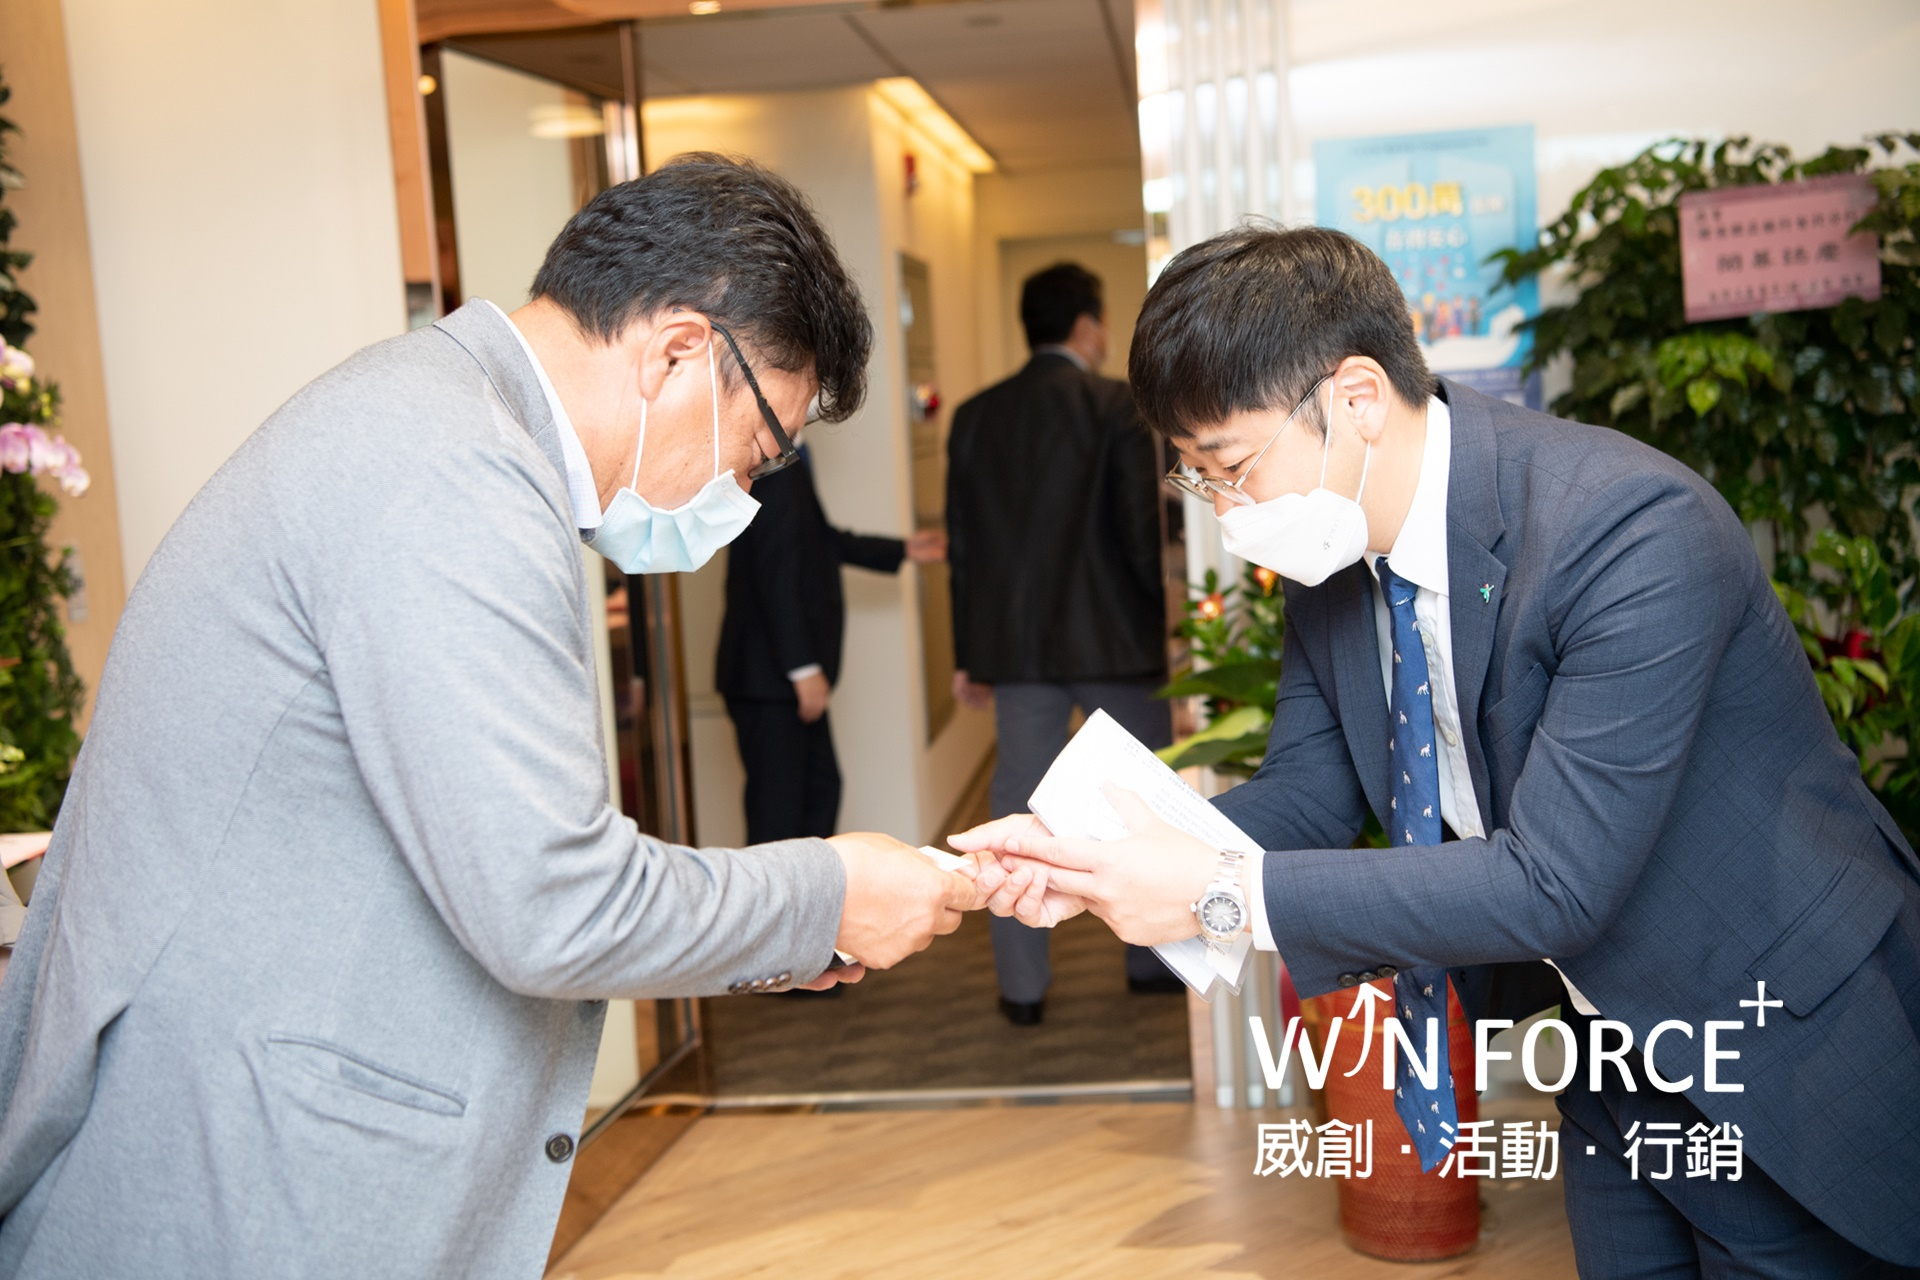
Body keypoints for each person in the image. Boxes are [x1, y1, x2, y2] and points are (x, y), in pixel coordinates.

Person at [0, 156, 984, 1277]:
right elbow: (551, 902)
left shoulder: (431, 422)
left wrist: (784, 931)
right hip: (251, 1184)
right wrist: (830, 893)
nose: (743, 500)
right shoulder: (455, 473)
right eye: (757, 452)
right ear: (676, 351)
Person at [957, 225, 1920, 1274]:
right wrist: (1094, 857)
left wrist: (1219, 893)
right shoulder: (1332, 564)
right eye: (1199, 478)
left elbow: (1554, 883)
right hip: (1609, 1046)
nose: (1228, 511)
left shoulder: (1627, 530)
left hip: (1775, 1029)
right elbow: (1309, 795)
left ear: (1358, 397)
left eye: (1232, 465)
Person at [945, 262, 1176, 1025]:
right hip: (1119, 643)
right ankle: (1150, 964)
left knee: (1016, 813)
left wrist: (969, 654)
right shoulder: (1118, 406)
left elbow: (965, 549)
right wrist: (1165, 625)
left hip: (1019, 651)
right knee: (1139, 801)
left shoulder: (976, 416)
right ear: (1085, 326)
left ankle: (1022, 991)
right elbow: (1140, 534)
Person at [716, 447, 945, 846]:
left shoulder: (788, 460)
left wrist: (902, 549)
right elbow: (775, 569)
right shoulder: (771, 463)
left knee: (820, 791)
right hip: (770, 679)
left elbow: (818, 541)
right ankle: (785, 892)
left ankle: (814, 888)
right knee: (779, 819)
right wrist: (803, 667)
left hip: (777, 679)